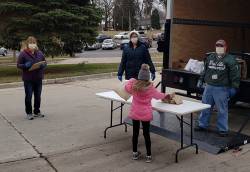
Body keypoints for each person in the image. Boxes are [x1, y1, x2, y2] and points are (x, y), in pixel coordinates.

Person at [125, 64, 173, 163]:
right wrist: (167, 96)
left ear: (139, 76)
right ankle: (149, 155)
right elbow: (158, 96)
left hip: (135, 112)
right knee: (146, 134)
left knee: (135, 133)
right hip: (145, 114)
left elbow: (126, 87)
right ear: (148, 78)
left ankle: (134, 153)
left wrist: (131, 80)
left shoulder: (134, 86)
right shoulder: (150, 88)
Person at [196, 39, 240, 137]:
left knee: (222, 109)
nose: (219, 47)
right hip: (209, 87)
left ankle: (223, 129)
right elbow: (205, 70)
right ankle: (202, 125)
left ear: (225, 47)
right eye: (217, 45)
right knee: (205, 107)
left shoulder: (230, 59)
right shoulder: (211, 57)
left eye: (221, 46)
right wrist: (201, 80)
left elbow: (235, 75)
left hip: (221, 88)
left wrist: (234, 87)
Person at [17, 36, 47, 120]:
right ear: (27, 44)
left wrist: (43, 65)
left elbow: (45, 62)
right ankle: (29, 113)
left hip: (38, 78)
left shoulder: (40, 53)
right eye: (30, 43)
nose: (32, 44)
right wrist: (25, 65)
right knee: (29, 96)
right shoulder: (23, 53)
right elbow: (18, 65)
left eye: (34, 43)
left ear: (36, 44)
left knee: (38, 96)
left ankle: (37, 111)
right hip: (28, 79)